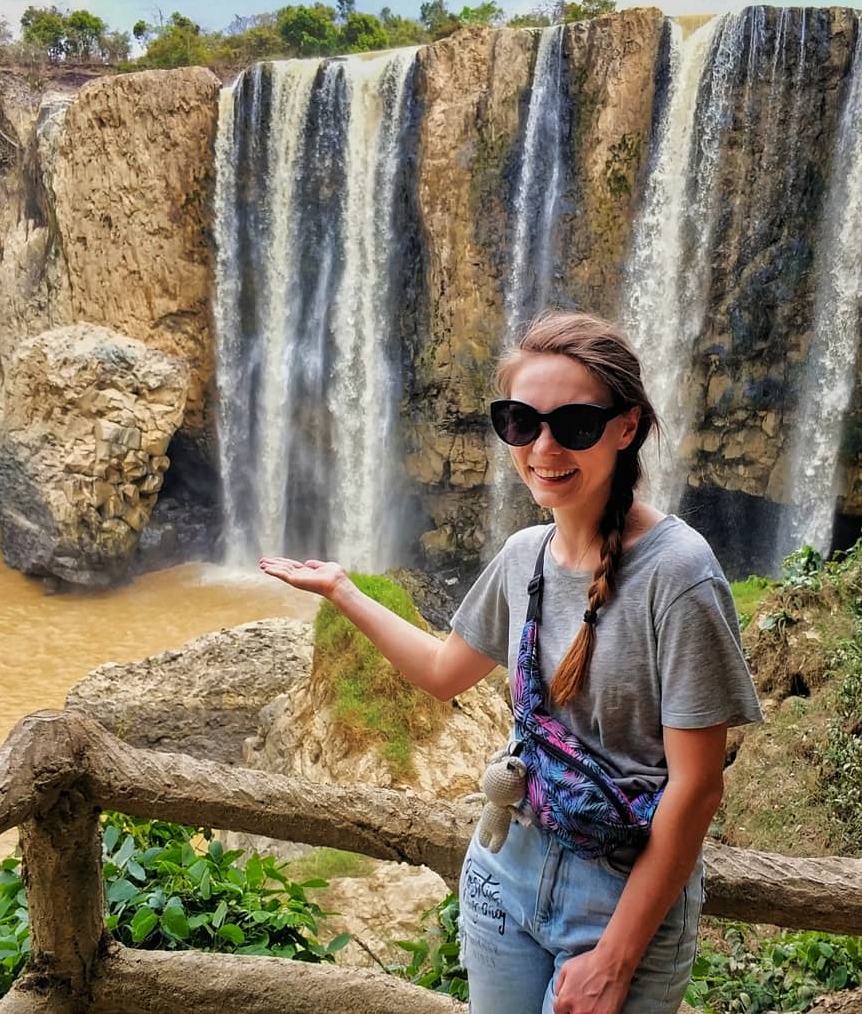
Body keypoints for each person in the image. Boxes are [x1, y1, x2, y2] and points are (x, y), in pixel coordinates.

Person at [260, 310, 763, 1014]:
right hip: (505, 872)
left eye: (575, 425)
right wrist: (343, 591)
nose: (544, 447)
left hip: (620, 897)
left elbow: (697, 788)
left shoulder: (680, 575)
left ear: (627, 427)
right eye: (521, 422)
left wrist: (616, 959)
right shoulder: (523, 555)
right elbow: (443, 672)